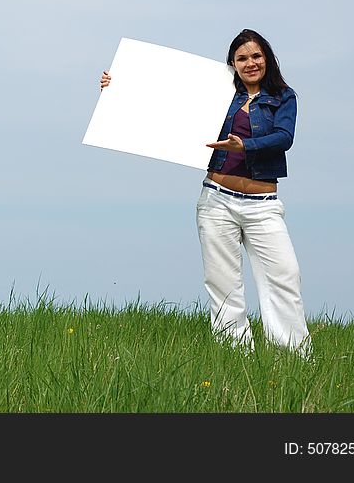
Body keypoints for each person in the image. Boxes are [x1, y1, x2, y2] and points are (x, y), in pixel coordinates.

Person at [99, 29, 311, 356]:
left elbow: (285, 137)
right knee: (223, 282)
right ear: (232, 64)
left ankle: (293, 357)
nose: (250, 63)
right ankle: (234, 356)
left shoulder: (284, 97)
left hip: (263, 204)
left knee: (285, 277)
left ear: (266, 57)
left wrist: (247, 145)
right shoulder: (219, 94)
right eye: (242, 58)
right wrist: (118, 86)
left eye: (256, 56)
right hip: (217, 200)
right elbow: (164, 102)